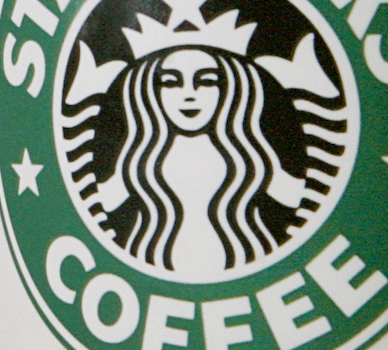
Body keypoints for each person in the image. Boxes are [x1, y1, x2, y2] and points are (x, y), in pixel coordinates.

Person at [116, 45, 307, 278]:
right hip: (151, 263)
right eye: (170, 82)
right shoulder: (139, 158)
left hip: (247, 261)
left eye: (206, 82)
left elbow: (296, 198)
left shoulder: (250, 156)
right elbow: (101, 201)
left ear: (228, 90)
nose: (189, 94)